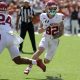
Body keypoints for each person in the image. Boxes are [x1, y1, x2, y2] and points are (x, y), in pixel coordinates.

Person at [0, 1, 46, 73]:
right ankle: (36, 62)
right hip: (11, 36)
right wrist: (17, 40)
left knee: (18, 59)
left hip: (2, 37)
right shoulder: (9, 17)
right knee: (18, 60)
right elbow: (9, 28)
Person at [24, 0, 64, 75]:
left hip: (54, 40)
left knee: (47, 61)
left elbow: (62, 31)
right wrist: (45, 27)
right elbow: (39, 31)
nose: (52, 10)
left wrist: (55, 35)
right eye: (50, 8)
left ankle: (39, 62)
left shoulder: (59, 17)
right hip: (46, 37)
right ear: (46, 8)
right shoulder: (43, 16)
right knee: (40, 50)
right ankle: (29, 68)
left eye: (54, 8)